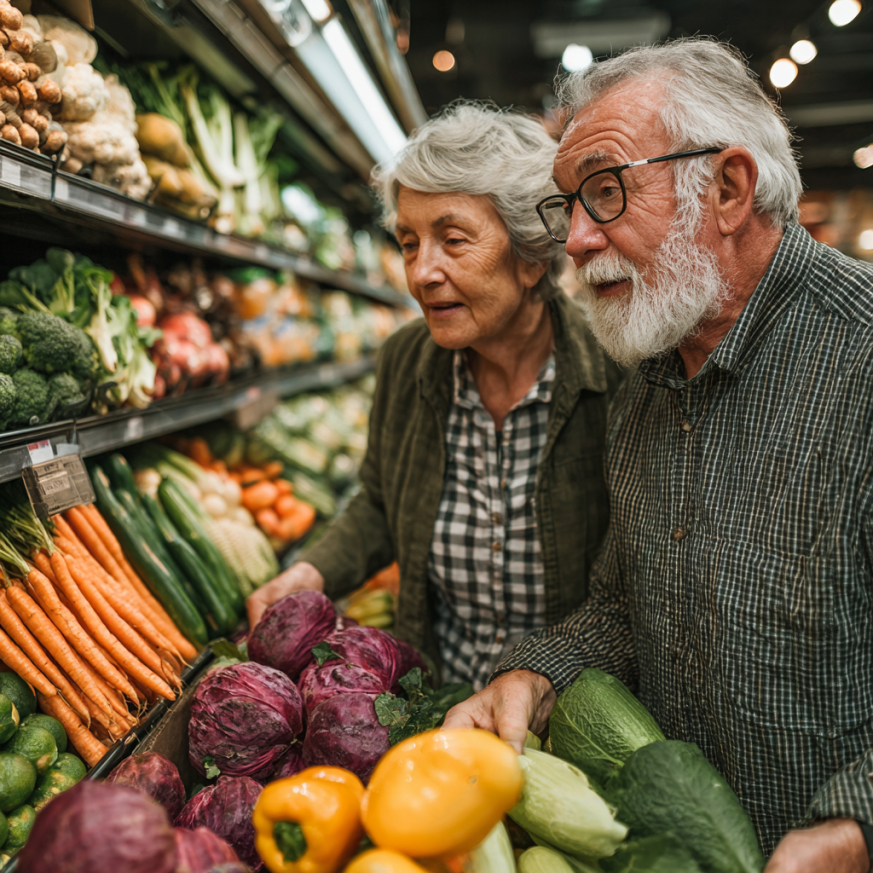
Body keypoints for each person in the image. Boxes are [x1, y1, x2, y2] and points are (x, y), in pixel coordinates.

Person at [443, 40, 873, 872]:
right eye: (565, 205)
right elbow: (621, 602)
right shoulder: (645, 375)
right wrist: (536, 671)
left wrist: (854, 828)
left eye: (604, 192)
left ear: (726, 188)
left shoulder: (860, 361)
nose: (572, 240)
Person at [247, 102, 621, 690]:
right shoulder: (406, 361)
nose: (421, 273)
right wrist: (313, 571)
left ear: (531, 255)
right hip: (432, 700)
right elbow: (379, 501)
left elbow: (628, 590)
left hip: (569, 714)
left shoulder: (615, 374)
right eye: (408, 242)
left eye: (452, 239)